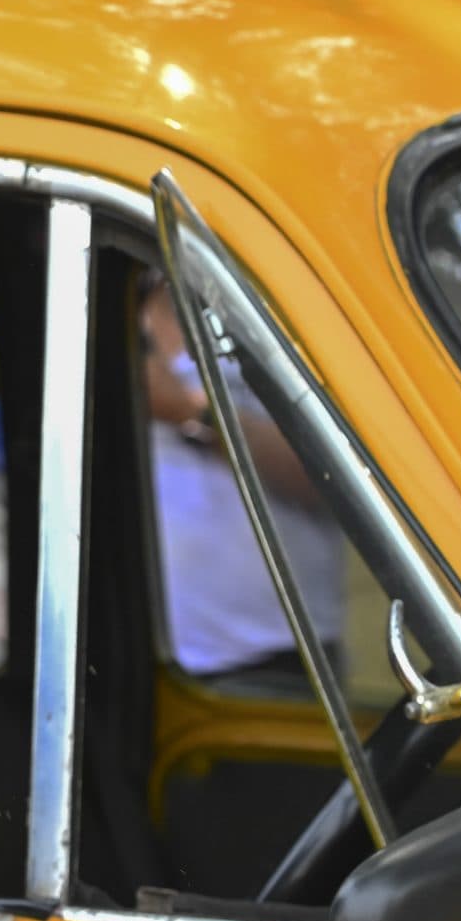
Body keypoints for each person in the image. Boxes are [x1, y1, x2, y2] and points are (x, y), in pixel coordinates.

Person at [139, 274, 345, 683]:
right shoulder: (108, 303)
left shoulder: (284, 309)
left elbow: (331, 480)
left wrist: (194, 413)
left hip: (274, 657)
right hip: (153, 661)